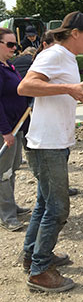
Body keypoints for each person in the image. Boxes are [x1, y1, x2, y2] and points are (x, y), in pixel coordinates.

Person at [17, 11, 83, 292]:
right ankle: (40, 272)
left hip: (54, 141)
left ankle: (32, 256)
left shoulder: (67, 58)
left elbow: (58, 88)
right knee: (57, 208)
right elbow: (25, 86)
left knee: (43, 204)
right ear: (74, 33)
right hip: (48, 143)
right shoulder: (54, 54)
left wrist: (76, 88)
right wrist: (69, 87)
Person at [0, 28, 31, 232]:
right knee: (3, 172)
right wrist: (5, 132)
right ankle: (6, 214)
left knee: (13, 168)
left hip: (17, 125)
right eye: (10, 44)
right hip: (6, 129)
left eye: (15, 44)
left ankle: (10, 204)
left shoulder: (9, 66)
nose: (14, 48)